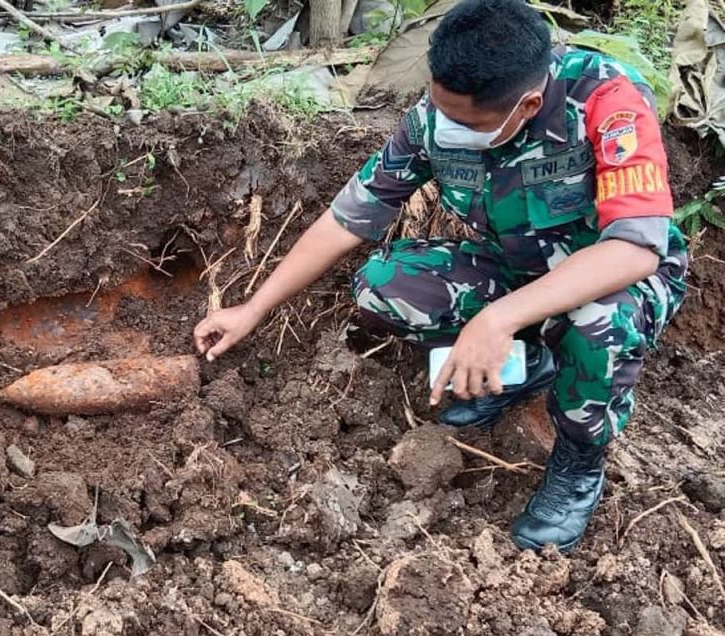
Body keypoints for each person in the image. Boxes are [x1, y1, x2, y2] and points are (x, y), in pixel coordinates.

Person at [193, 0, 684, 554]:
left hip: (611, 278)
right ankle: (527, 365)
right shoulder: (435, 116)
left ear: (526, 105)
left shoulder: (605, 99)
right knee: (386, 284)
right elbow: (348, 217)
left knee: (599, 324)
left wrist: (497, 319)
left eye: (465, 122)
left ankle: (578, 462)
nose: (444, 126)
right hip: (515, 266)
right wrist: (254, 308)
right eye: (438, 106)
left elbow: (635, 249)